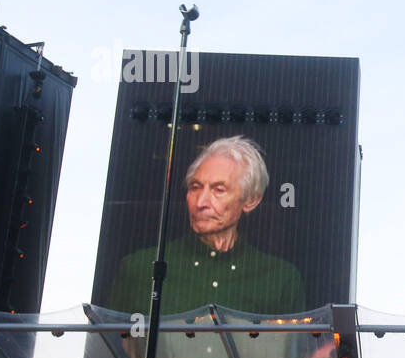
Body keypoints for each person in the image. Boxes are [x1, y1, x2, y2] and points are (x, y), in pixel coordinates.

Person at [107, 135, 305, 316]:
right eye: (195, 187)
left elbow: (291, 354)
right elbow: (107, 350)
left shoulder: (279, 279)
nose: (201, 202)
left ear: (251, 200)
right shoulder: (140, 268)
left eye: (219, 190)